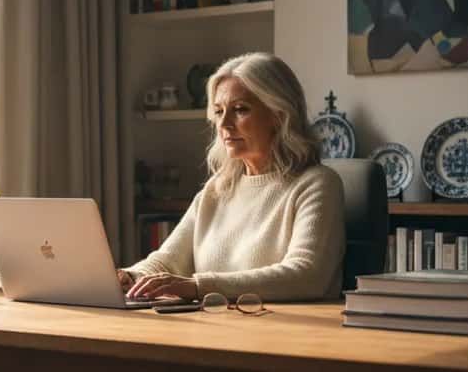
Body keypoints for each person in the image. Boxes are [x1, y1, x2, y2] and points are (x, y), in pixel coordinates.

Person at [119, 52, 345, 302]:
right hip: (215, 328)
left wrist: (198, 286)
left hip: (283, 334)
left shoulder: (317, 184)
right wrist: (130, 276)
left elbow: (306, 275)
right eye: (218, 111)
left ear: (279, 115)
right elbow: (167, 261)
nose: (224, 124)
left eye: (240, 110)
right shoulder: (217, 189)